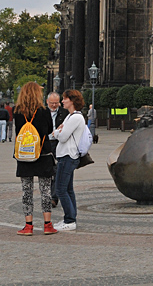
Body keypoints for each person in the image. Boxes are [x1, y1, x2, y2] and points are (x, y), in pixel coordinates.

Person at [13, 82, 57, 236]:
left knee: (26, 191)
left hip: (25, 155)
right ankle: (47, 224)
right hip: (42, 154)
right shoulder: (44, 111)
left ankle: (28, 225)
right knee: (45, 190)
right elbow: (49, 130)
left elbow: (18, 132)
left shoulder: (17, 111)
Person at [51, 89, 86, 231]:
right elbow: (59, 132)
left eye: (65, 99)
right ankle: (71, 218)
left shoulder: (76, 117)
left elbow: (62, 135)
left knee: (60, 189)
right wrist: (58, 131)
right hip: (66, 156)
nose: (62, 101)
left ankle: (70, 220)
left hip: (68, 156)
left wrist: (57, 132)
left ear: (72, 100)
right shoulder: (70, 116)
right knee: (68, 189)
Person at [46, 92, 69, 208]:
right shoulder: (42, 112)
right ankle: (46, 195)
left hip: (59, 144)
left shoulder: (64, 113)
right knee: (46, 171)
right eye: (51, 103)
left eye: (56, 103)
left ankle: (53, 198)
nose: (54, 105)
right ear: (47, 102)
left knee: (57, 170)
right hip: (46, 144)